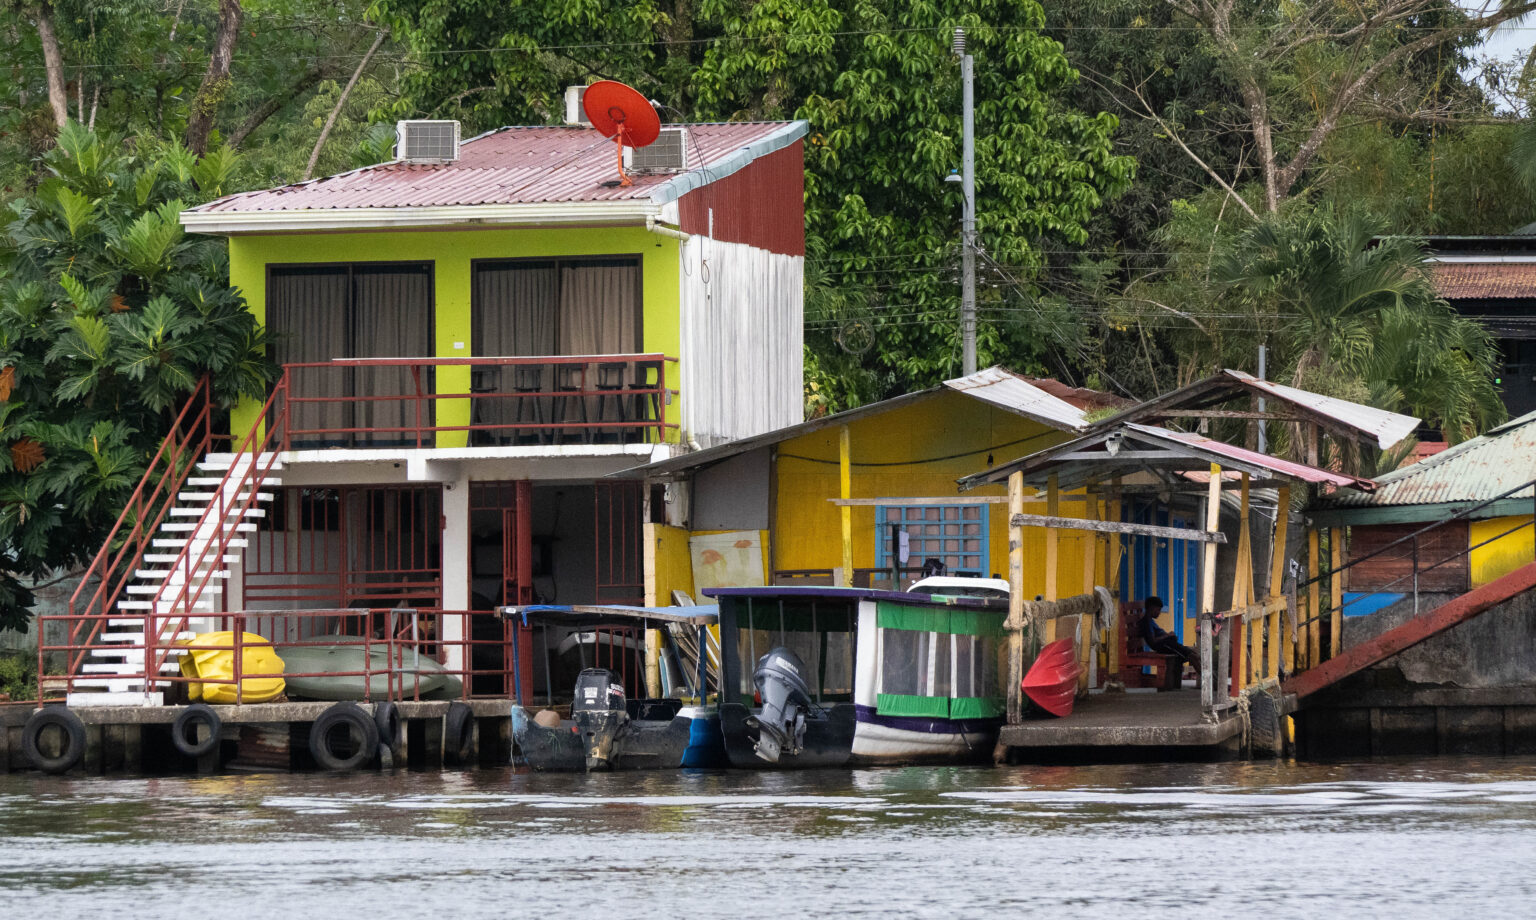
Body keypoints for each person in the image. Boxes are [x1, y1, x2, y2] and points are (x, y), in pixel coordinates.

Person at [1138, 596, 1199, 677]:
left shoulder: (1150, 621)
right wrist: (1167, 635)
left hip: (1168, 644)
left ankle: (1209, 677)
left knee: (1193, 653)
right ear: (1152, 608)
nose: (1159, 613)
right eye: (1158, 610)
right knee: (1191, 655)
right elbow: (1153, 641)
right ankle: (1207, 678)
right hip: (1164, 646)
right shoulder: (1147, 622)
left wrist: (1169, 636)